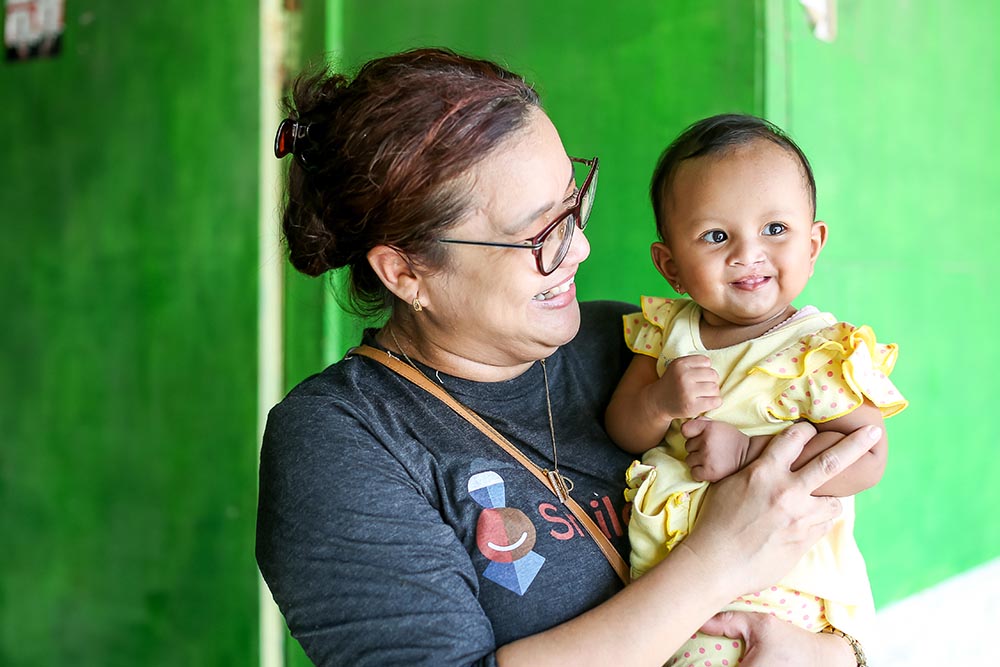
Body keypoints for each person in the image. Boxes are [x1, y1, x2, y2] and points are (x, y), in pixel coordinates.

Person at [256, 48, 880, 667]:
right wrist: (715, 563)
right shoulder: (344, 442)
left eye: (572, 204)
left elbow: (821, 543)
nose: (578, 246)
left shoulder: (634, 343)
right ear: (405, 271)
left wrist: (835, 654)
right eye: (538, 234)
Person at [605, 114, 907, 666]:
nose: (749, 254)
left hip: (782, 585)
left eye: (775, 230)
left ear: (813, 244)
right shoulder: (667, 333)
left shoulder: (818, 349)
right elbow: (622, 428)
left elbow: (867, 454)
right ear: (670, 265)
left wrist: (748, 452)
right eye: (716, 236)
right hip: (669, 579)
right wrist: (657, 402)